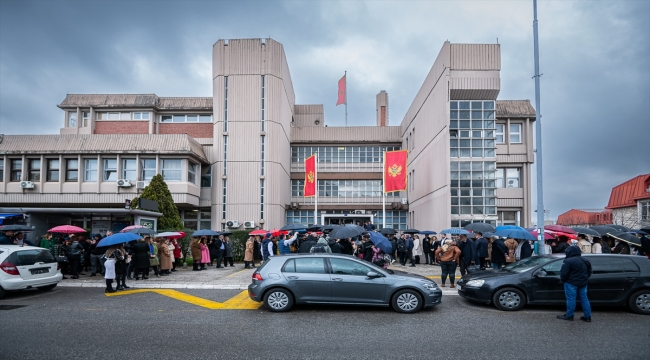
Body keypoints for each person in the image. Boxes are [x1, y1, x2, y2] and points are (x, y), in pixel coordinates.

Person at [557, 246, 592, 322]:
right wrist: (585, 278)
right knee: (584, 299)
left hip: (571, 283)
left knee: (571, 299)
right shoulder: (586, 260)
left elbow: (564, 274)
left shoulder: (568, 261)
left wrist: (563, 280)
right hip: (583, 283)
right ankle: (587, 316)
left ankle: (569, 315)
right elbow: (589, 272)